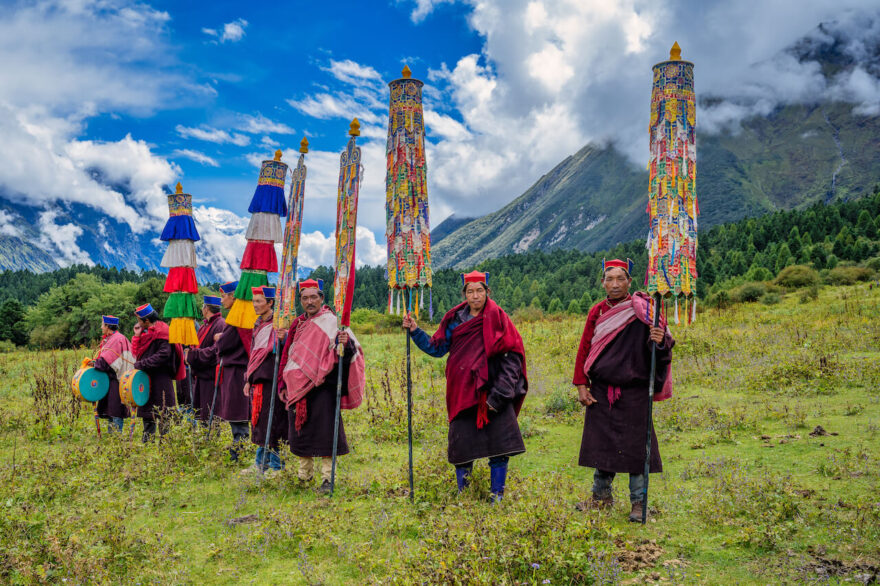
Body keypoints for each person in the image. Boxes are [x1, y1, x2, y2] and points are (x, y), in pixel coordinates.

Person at [403, 271, 528, 501]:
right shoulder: (455, 319)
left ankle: (497, 495)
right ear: (464, 294)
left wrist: (499, 395)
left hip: (492, 392)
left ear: (487, 292)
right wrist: (415, 331)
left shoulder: (499, 318)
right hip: (462, 392)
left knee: (499, 446)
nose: (475, 296)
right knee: (462, 446)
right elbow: (437, 348)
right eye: (470, 292)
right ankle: (465, 495)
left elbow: (513, 357)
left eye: (479, 291)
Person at [572, 258, 674, 522]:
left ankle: (639, 503)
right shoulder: (596, 312)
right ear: (603, 283)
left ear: (630, 282)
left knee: (637, 448)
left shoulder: (644, 310)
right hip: (602, 390)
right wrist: (582, 385)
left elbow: (662, 350)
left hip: (635, 391)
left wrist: (659, 341)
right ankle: (600, 497)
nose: (615, 284)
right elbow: (585, 348)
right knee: (602, 446)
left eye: (620, 279)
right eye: (610, 279)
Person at [280, 279, 365, 495]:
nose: (309, 302)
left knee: (327, 433)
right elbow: (288, 353)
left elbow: (349, 354)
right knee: (301, 432)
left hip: (324, 386)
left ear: (322, 299)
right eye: (305, 298)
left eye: (313, 297)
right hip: (299, 386)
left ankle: (328, 478)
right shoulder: (297, 324)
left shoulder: (332, 322)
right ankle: (304, 474)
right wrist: (284, 381)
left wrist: (346, 344)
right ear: (300, 300)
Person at [242, 286, 287, 476]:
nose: (255, 305)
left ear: (270, 303)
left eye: (259, 301)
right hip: (258, 379)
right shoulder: (258, 323)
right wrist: (248, 379)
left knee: (274, 420)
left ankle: (276, 465)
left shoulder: (280, 324)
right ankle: (261, 462)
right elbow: (254, 353)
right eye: (254, 301)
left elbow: (287, 349)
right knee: (260, 421)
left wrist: (282, 340)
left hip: (273, 379)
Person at [132, 303, 186, 442]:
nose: (138, 324)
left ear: (147, 321)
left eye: (139, 321)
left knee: (163, 412)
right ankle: (147, 442)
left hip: (161, 379)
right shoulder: (146, 332)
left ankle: (165, 444)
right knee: (148, 414)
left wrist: (142, 364)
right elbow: (137, 352)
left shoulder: (163, 332)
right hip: (148, 378)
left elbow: (163, 355)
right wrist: (137, 336)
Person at [213, 281, 252, 460]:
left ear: (233, 296)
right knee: (237, 411)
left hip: (237, 371)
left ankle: (239, 449)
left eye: (223, 296)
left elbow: (225, 344)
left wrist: (219, 338)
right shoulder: (238, 317)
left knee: (238, 411)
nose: (222, 301)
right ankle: (239, 447)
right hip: (234, 370)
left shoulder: (238, 319)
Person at [184, 294, 226, 424]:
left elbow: (216, 350)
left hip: (211, 376)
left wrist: (193, 355)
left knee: (210, 416)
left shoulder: (220, 324)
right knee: (201, 415)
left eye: (203, 307)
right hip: (200, 376)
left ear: (206, 308)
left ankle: (211, 441)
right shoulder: (204, 326)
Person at [92, 315, 132, 432]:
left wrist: (95, 364)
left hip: (118, 379)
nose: (101, 327)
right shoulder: (111, 338)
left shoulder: (117, 339)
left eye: (102, 325)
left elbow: (106, 361)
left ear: (108, 326)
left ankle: (116, 436)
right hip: (111, 378)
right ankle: (112, 437)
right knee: (110, 407)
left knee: (115, 408)